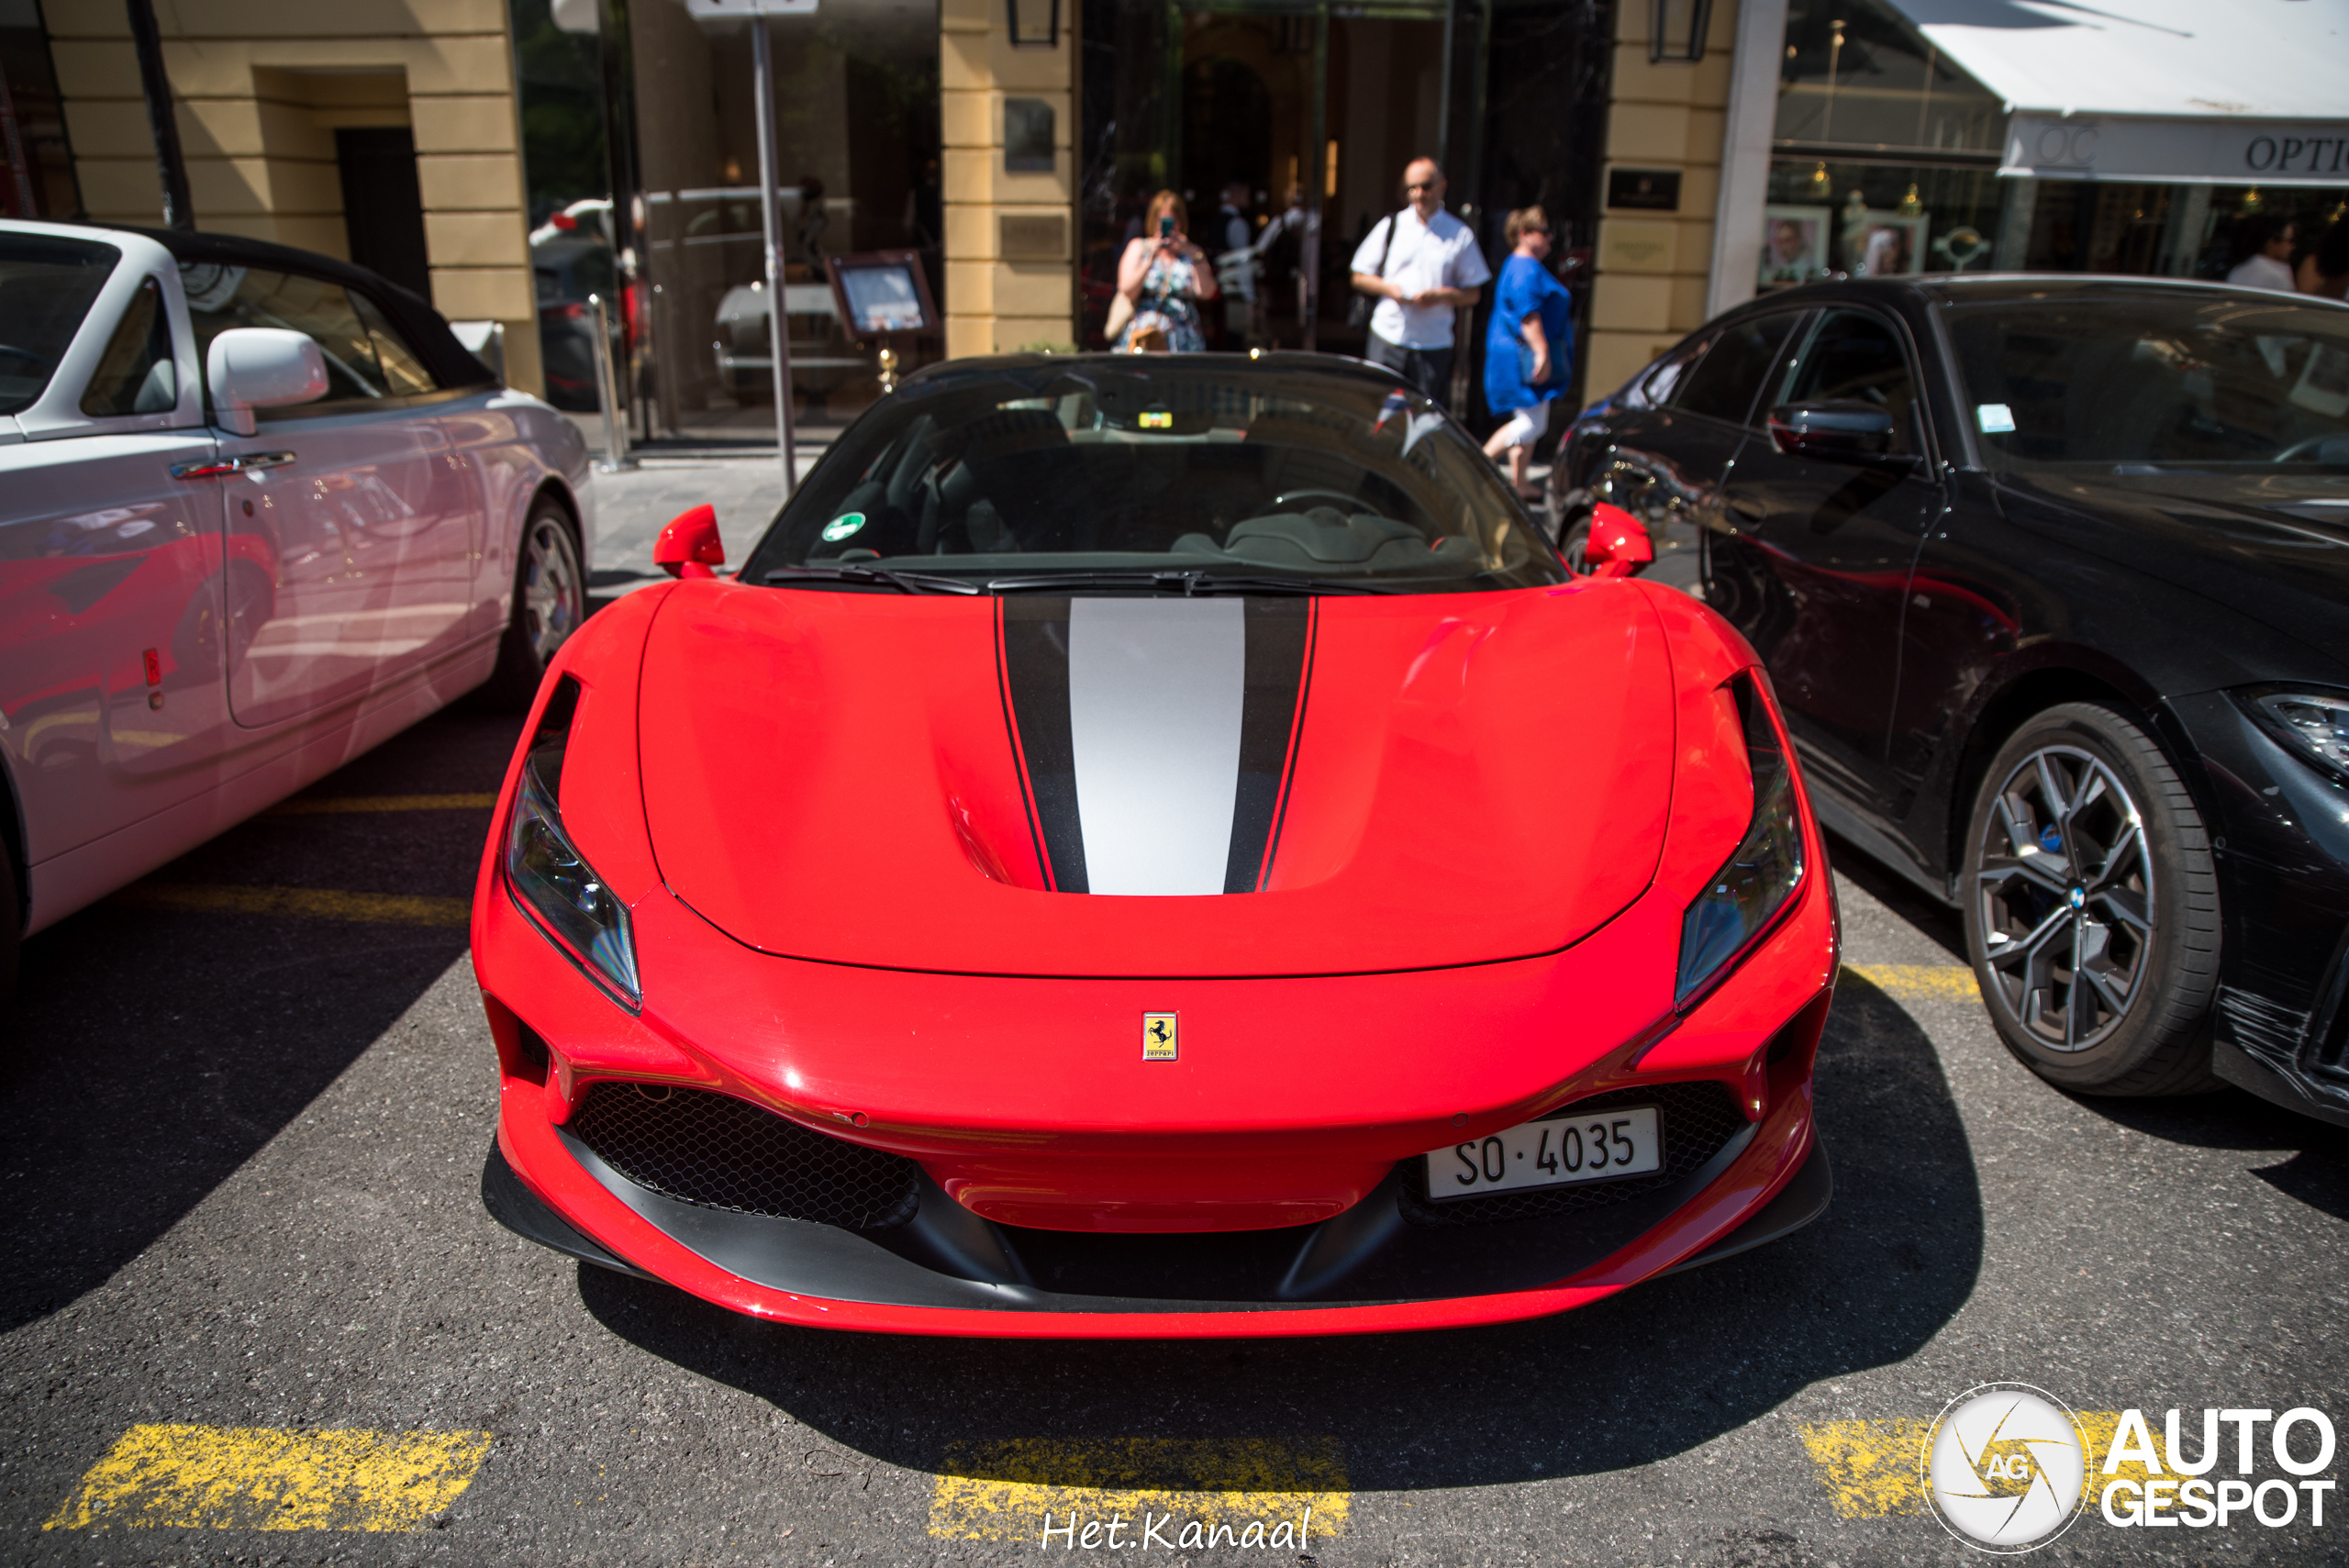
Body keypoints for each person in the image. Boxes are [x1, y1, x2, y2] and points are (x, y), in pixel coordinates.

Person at [1349, 157, 1490, 406]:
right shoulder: (1393, 225)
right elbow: (1359, 276)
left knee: (1423, 420)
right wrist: (1391, 290)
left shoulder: (1459, 234)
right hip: (1388, 337)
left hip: (1432, 344)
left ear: (1442, 186)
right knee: (1379, 413)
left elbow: (1473, 293)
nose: (1419, 194)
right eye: (1412, 188)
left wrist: (1440, 295)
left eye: (1426, 186)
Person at [1481, 206, 1573, 502]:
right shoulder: (1524, 268)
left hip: (1521, 352)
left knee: (1530, 414)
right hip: (1523, 354)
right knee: (1532, 423)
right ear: (1524, 234)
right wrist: (1542, 351)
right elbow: (1528, 314)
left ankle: (1519, 481)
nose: (1549, 239)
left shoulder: (1523, 264)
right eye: (1543, 232)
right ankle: (1479, 463)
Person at [1115, 190, 1218, 352]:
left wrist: (1191, 253)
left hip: (1183, 339)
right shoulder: (1139, 248)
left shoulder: (1192, 252)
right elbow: (1127, 290)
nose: (1167, 227)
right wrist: (1150, 259)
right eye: (1161, 221)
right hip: (1144, 335)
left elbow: (1206, 292)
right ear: (1153, 220)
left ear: (1180, 222)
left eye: (1172, 221)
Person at [2228, 215, 2298, 293]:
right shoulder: (2276, 277)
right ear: (2272, 243)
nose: (2293, 246)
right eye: (2290, 241)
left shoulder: (2237, 270)